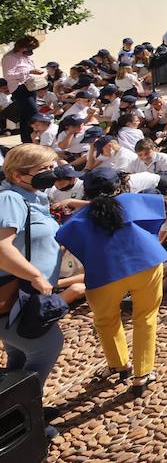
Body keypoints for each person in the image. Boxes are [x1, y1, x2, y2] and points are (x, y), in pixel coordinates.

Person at [55, 166, 167, 396]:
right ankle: (142, 374)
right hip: (146, 260)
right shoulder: (134, 200)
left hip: (104, 271)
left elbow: (68, 241)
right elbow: (157, 218)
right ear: (119, 184)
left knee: (105, 320)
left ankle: (118, 364)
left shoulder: (77, 221)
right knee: (145, 317)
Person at [0, 145, 66, 434]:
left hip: (24, 296)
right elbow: (2, 249)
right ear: (17, 174)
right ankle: (18, 418)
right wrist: (37, 276)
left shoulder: (31, 197)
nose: (50, 175)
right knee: (46, 346)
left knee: (18, 356)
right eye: (43, 170)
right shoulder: (11, 199)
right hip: (17, 295)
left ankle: (22, 409)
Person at [2, 35, 46, 144]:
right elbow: (8, 75)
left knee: (26, 115)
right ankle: (30, 138)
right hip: (19, 88)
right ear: (22, 46)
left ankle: (27, 140)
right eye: (30, 48)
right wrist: (29, 72)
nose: (31, 51)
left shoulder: (25, 57)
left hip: (30, 87)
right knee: (33, 113)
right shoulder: (10, 58)